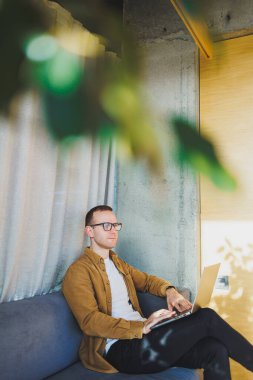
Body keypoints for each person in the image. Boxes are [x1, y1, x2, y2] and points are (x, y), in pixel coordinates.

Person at [62, 205, 253, 380]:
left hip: (145, 338)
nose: (113, 230)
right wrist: (140, 327)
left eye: (115, 225)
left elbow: (147, 281)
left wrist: (170, 292)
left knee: (214, 349)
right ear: (90, 231)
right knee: (207, 317)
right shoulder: (78, 271)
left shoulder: (117, 263)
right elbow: (89, 321)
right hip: (121, 349)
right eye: (105, 225)